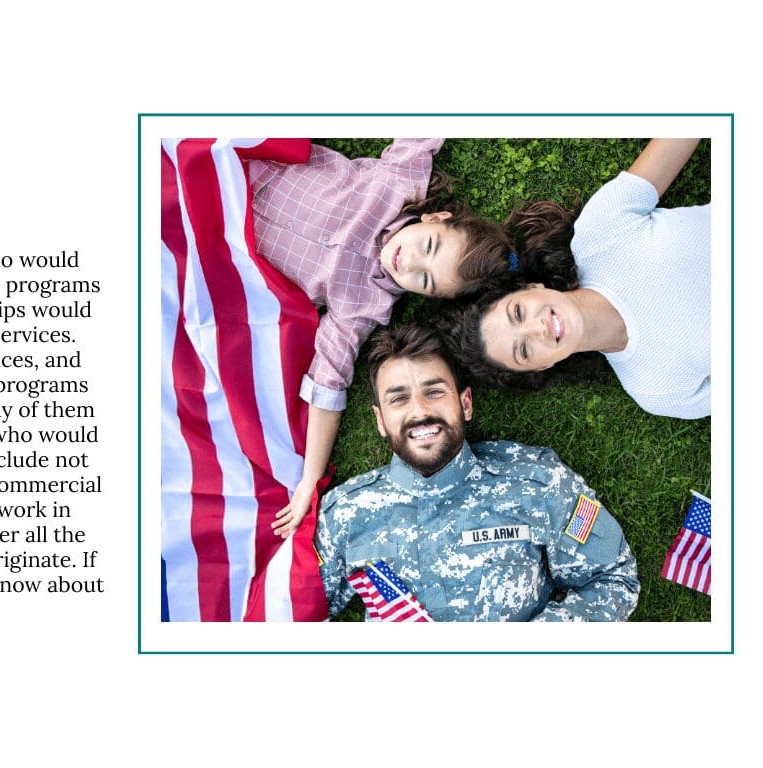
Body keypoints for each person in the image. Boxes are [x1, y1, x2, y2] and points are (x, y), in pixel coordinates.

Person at [248, 140, 534, 537]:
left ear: (428, 297)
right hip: (245, 161)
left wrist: (309, 479)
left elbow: (328, 382)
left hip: (217, 228)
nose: (411, 263)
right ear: (436, 216)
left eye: (426, 281)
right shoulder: (399, 182)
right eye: (429, 246)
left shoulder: (363, 303)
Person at [316, 324, 639, 621]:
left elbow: (613, 577)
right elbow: (291, 618)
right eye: (399, 399)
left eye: (434, 391)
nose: (419, 411)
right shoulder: (344, 514)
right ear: (380, 421)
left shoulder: (538, 482)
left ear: (466, 403)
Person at [442, 138, 710, 418]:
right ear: (542, 366)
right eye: (523, 349)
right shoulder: (658, 390)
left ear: (530, 287)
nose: (537, 329)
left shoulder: (598, 233)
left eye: (518, 312)